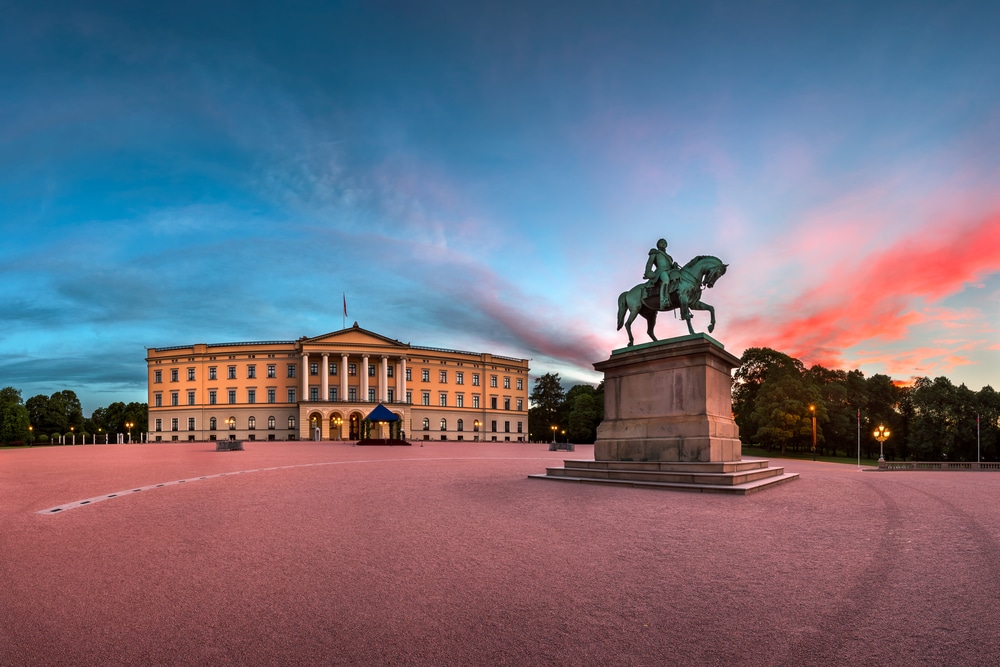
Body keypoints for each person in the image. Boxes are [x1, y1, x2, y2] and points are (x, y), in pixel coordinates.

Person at [643, 238, 679, 310]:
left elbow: (670, 266)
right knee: (666, 280)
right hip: (661, 271)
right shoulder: (655, 252)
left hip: (670, 271)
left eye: (665, 243)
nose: (663, 243)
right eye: (661, 242)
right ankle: (663, 300)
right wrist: (648, 272)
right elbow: (649, 263)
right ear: (658, 244)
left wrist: (674, 266)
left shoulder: (669, 257)